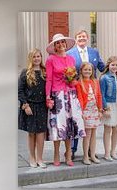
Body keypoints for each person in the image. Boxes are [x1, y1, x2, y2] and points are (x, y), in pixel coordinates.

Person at [45, 33, 85, 167]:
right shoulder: (50, 59)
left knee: (70, 126)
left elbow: (74, 79)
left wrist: (73, 82)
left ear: (66, 44)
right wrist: (47, 96)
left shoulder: (72, 59)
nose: (60, 44)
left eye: (62, 42)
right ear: (55, 46)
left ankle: (68, 155)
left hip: (71, 95)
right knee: (58, 127)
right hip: (58, 96)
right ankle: (56, 154)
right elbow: (49, 79)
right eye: (57, 43)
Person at [67, 29, 105, 159]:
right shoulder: (69, 53)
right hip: (76, 90)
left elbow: (102, 67)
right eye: (79, 36)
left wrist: (115, 74)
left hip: (91, 90)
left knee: (90, 128)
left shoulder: (94, 52)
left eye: (84, 36)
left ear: (87, 38)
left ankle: (90, 151)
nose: (82, 38)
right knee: (76, 121)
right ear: (76, 38)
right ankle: (72, 149)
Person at [18, 48, 48, 168]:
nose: (37, 59)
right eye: (34, 57)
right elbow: (20, 91)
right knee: (32, 134)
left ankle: (40, 158)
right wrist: (25, 105)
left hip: (42, 106)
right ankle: (32, 158)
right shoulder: (25, 72)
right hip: (30, 106)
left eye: (38, 56)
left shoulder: (45, 71)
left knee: (41, 133)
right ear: (31, 58)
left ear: (41, 58)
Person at [76, 62, 103, 165]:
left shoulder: (95, 82)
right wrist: (81, 112)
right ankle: (85, 156)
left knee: (93, 134)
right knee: (87, 134)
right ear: (81, 71)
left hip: (95, 110)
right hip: (86, 111)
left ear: (92, 71)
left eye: (89, 70)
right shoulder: (79, 83)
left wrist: (100, 109)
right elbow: (80, 98)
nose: (87, 71)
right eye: (85, 69)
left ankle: (92, 155)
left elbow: (99, 96)